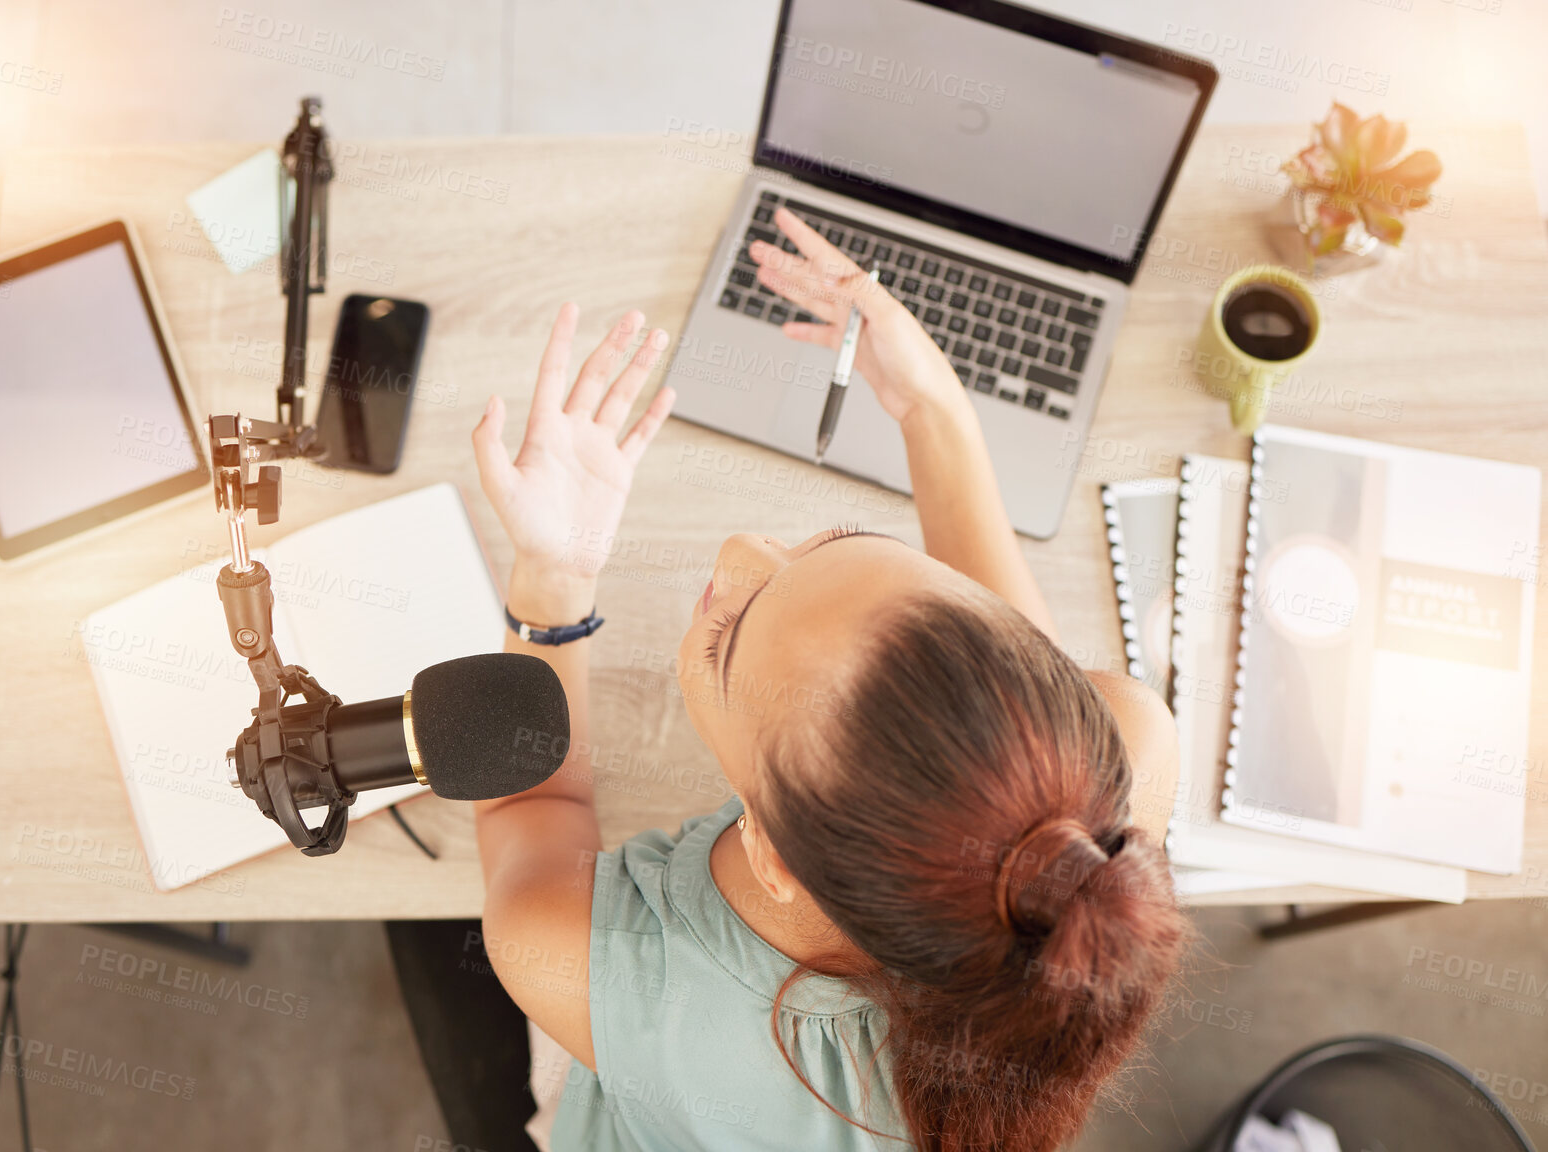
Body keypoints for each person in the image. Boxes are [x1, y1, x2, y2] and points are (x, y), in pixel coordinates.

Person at [466, 207, 1187, 1151]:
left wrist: (553, 580)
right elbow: (1003, 660)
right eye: (843, 538)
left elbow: (535, 810)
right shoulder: (1117, 774)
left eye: (730, 636)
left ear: (771, 855)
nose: (739, 549)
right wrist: (932, 407)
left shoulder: (597, 968)